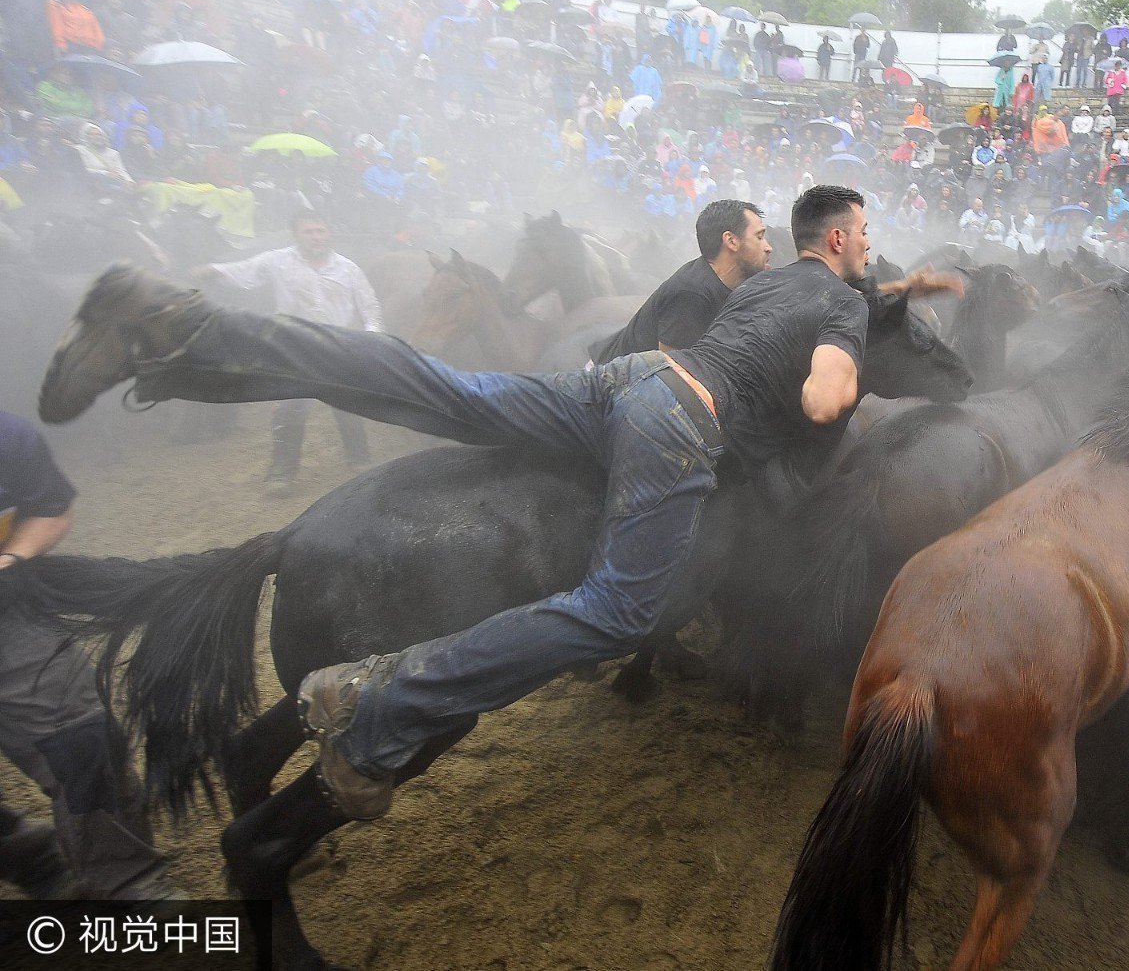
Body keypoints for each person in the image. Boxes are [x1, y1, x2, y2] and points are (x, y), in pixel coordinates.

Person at [39, 188, 961, 822]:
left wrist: (904, 290)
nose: (873, 247)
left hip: (622, 383)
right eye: (868, 232)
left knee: (440, 388)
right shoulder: (837, 308)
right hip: (681, 427)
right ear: (837, 240)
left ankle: (185, 327)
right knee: (621, 610)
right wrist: (833, 391)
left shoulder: (777, 278)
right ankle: (384, 690)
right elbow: (827, 394)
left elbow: (844, 293)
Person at [0, 412, 180, 900]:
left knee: (82, 738)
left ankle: (125, 881)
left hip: (6, 613)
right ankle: (18, 846)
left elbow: (49, 507)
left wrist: (10, 560)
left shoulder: (7, 436)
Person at [192, 209, 381, 491]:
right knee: (291, 408)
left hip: (336, 344)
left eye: (321, 231)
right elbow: (245, 270)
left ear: (329, 233)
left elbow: (369, 305)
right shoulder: (277, 261)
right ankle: (282, 473)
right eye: (309, 231)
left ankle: (359, 457)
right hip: (294, 345)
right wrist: (212, 270)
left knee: (348, 403)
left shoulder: (348, 268)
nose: (316, 237)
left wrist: (372, 336)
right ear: (296, 234)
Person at [591, 201, 770, 362]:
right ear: (731, 241)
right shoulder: (691, 293)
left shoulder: (729, 284)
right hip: (610, 383)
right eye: (759, 237)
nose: (768, 247)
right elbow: (673, 376)